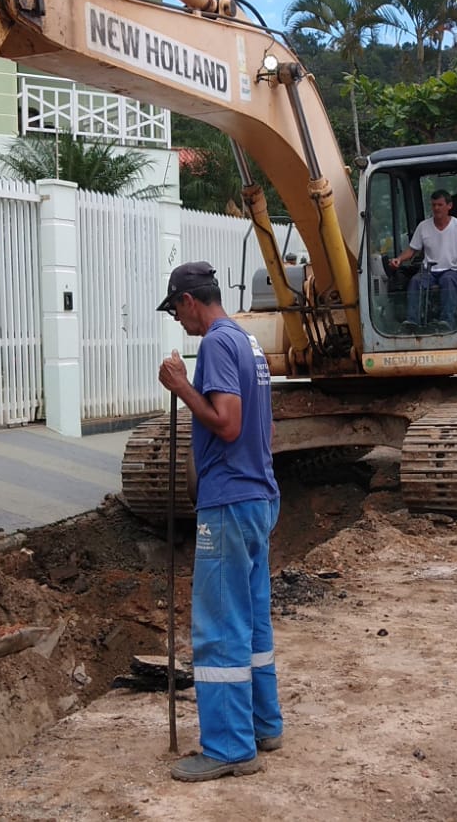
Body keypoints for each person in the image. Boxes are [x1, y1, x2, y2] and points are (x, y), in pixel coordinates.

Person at [155, 261, 283, 782]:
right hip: (257, 496)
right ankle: (263, 724)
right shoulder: (248, 343)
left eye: (177, 311)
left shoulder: (214, 345)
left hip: (229, 502)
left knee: (218, 627)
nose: (179, 323)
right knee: (252, 620)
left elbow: (227, 424)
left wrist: (181, 387)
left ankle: (229, 748)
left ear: (189, 300)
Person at [388, 189, 457, 330]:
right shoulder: (423, 226)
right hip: (429, 271)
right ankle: (412, 321)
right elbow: (412, 250)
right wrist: (399, 259)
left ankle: (447, 321)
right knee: (416, 281)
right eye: (434, 205)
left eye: (440, 205)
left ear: (449, 206)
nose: (436, 208)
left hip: (452, 270)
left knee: (448, 280)